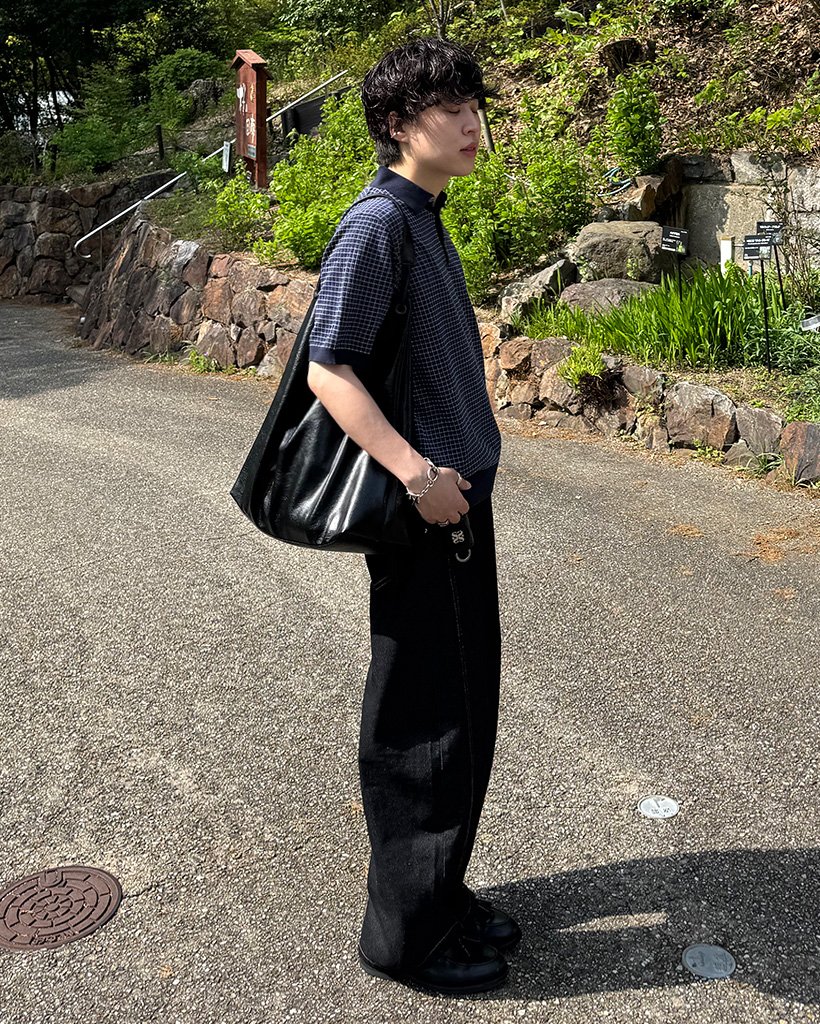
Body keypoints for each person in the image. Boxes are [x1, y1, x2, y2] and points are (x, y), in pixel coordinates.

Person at [306, 37, 519, 996]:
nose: (472, 123)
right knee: (422, 721)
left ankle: (441, 895)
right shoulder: (378, 225)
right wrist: (417, 472)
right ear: (397, 124)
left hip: (456, 507)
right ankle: (406, 939)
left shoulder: (423, 215)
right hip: (427, 511)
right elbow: (330, 368)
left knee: (462, 712)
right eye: (450, 108)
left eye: (475, 105)